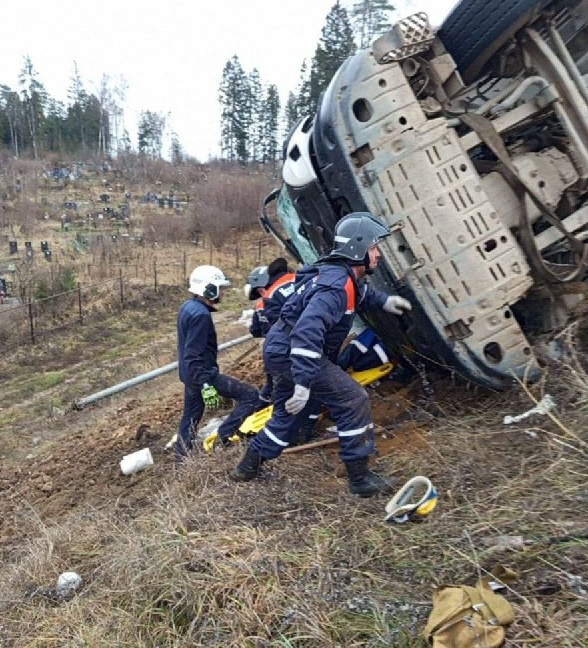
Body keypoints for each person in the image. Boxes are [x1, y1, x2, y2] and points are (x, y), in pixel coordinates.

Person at [231, 212, 413, 497]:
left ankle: (247, 467)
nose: (378, 254)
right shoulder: (335, 286)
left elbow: (361, 294)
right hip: (294, 352)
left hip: (280, 350)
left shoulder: (337, 275)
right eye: (374, 247)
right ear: (358, 248)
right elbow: (307, 331)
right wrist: (304, 382)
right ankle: (360, 479)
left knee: (285, 415)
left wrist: (385, 301)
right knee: (353, 399)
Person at [175, 265, 259, 459]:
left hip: (189, 374)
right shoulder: (201, 316)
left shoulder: (187, 307)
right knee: (250, 396)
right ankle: (223, 437)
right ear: (208, 288)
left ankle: (181, 457)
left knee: (191, 415)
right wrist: (205, 383)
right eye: (219, 288)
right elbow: (193, 353)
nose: (222, 293)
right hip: (202, 374)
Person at [245, 257, 297, 407]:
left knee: (272, 384)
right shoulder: (290, 288)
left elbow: (255, 330)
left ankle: (258, 408)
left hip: (272, 349)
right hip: (288, 346)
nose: (261, 293)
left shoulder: (262, 304)